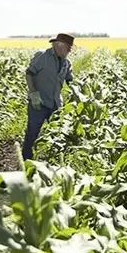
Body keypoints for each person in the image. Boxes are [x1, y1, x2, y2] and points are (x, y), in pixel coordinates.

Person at [22, 32, 76, 161]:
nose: (69, 51)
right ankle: (26, 162)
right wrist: (34, 94)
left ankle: (53, 162)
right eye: (68, 48)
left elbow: (71, 80)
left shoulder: (66, 63)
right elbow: (29, 73)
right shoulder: (42, 56)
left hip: (56, 105)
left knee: (58, 135)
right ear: (60, 45)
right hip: (39, 103)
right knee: (32, 134)